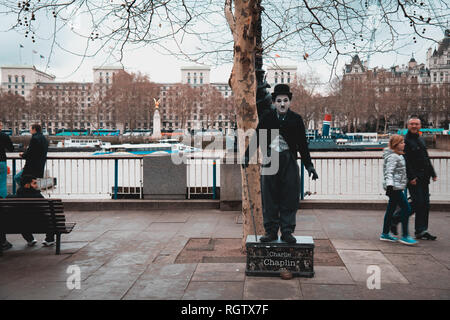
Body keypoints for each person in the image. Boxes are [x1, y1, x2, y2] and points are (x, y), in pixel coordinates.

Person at [244, 84, 318, 244]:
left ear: (289, 101)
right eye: (279, 101)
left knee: (289, 197)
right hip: (271, 161)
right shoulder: (267, 118)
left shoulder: (296, 119)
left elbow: (303, 145)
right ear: (274, 102)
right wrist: (247, 157)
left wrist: (309, 165)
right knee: (269, 197)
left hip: (289, 161)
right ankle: (270, 231)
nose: (282, 104)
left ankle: (287, 231)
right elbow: (257, 138)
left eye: (285, 100)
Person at [402, 116, 438, 240]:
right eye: (412, 124)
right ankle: (395, 219)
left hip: (424, 177)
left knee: (425, 204)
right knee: (417, 203)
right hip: (413, 178)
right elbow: (405, 161)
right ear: (408, 125)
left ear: (420, 126)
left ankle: (421, 230)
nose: (414, 126)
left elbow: (426, 158)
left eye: (416, 124)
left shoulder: (421, 140)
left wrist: (433, 173)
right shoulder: (405, 141)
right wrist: (410, 177)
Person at [0, 174, 55, 251]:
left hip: (19, 226)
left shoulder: (12, 198)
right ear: (27, 185)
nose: (36, 185)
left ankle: (30, 239)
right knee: (51, 218)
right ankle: (49, 240)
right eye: (34, 183)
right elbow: (47, 210)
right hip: (40, 224)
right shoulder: (38, 197)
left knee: (21, 218)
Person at [380, 135, 417, 245]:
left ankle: (385, 233)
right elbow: (389, 172)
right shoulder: (394, 157)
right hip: (394, 188)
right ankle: (405, 235)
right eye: (401, 143)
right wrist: (390, 186)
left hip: (397, 186)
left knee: (391, 210)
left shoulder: (398, 155)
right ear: (396, 144)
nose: (404, 144)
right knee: (406, 208)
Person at [0, 121, 14, 199]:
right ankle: (2, 202)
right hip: (1, 161)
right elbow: (11, 149)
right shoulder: (4, 136)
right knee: (2, 183)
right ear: (1, 127)